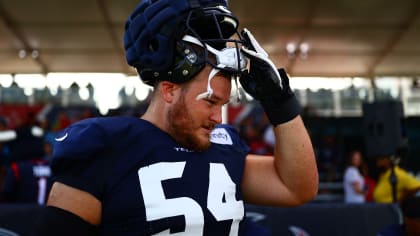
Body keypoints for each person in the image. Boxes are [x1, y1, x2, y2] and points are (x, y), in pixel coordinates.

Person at [34, 0, 318, 235]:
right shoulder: (105, 146)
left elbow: (297, 189)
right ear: (169, 90)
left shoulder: (222, 146)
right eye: (210, 101)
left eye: (223, 103)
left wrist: (279, 102)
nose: (218, 117)